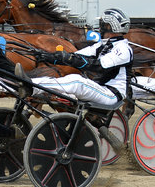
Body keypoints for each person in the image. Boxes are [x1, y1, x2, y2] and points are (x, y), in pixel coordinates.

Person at [21, 8, 134, 147]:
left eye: (103, 24)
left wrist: (69, 58)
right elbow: (77, 57)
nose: (100, 27)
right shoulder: (102, 45)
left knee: (77, 81)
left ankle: (29, 85)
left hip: (112, 94)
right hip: (101, 90)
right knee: (65, 87)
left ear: (109, 26)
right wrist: (50, 56)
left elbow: (99, 66)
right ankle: (23, 84)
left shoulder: (122, 49)